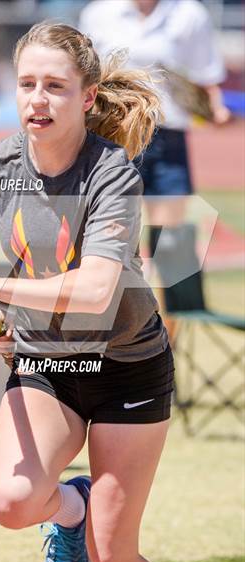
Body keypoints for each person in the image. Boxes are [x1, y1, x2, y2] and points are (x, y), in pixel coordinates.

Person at [0, 22, 174, 562]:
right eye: (26, 85)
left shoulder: (111, 174)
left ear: (87, 96)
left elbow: (95, 290)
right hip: (45, 361)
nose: (36, 100)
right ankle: (73, 508)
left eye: (55, 86)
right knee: (12, 503)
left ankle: (92, 526)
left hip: (125, 366)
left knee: (112, 557)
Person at [79, 0, 231, 336]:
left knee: (171, 243)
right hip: (112, 135)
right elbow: (84, 77)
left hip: (167, 135)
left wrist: (215, 109)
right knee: (110, 234)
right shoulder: (99, 13)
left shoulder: (189, 14)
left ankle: (168, 344)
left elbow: (206, 77)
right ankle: (109, 331)